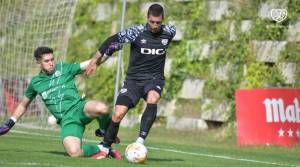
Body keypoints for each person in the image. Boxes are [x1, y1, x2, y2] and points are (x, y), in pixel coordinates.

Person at [86, 4, 176, 159]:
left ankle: (140, 142)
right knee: (118, 113)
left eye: (158, 22)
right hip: (133, 80)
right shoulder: (135, 32)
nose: (155, 25)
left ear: (163, 20)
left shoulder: (170, 32)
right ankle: (105, 148)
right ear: (147, 18)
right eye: (152, 21)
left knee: (153, 98)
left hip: (154, 79)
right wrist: (95, 61)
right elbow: (112, 40)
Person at [0, 46, 122, 159]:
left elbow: (91, 63)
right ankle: (104, 149)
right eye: (46, 61)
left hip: (79, 108)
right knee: (74, 152)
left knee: (102, 108)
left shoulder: (64, 68)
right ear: (38, 62)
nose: (51, 63)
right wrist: (10, 123)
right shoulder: (35, 82)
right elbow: (23, 105)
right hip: (67, 120)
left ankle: (103, 131)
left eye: (52, 59)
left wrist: (108, 53)